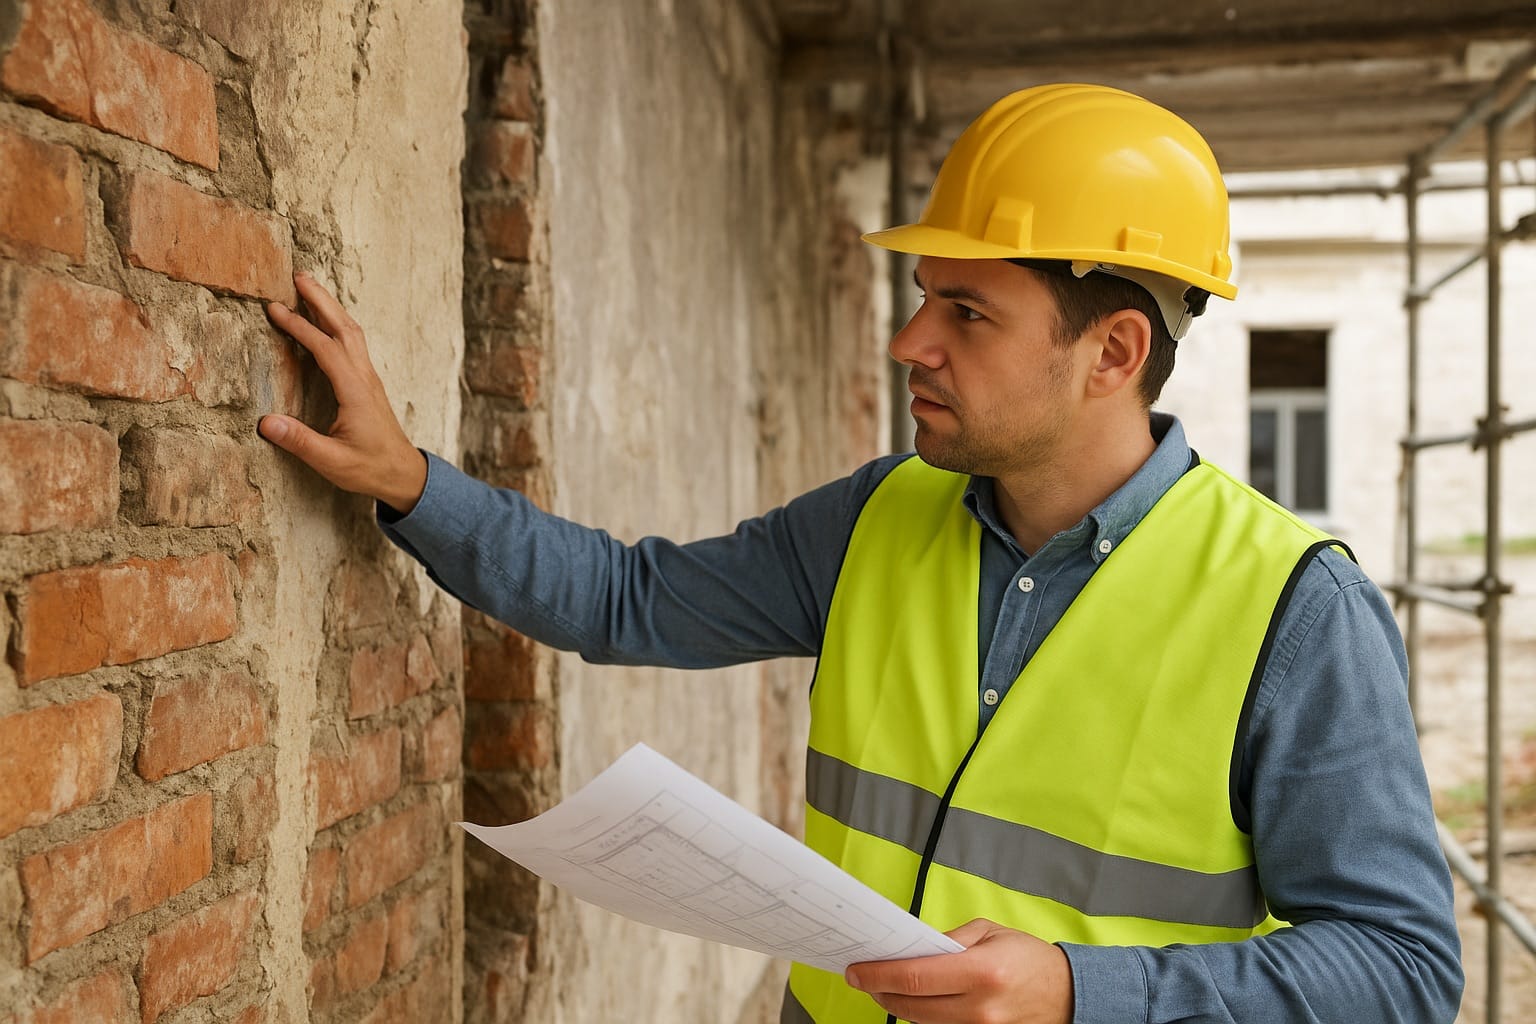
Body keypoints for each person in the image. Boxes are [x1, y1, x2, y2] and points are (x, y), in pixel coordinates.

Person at [258, 84, 1463, 1023]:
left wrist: (1078, 993)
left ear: (1114, 351)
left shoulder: (1294, 610)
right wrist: (409, 481)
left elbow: (1401, 968)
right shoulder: (880, 516)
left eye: (967, 313)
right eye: (923, 295)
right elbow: (630, 599)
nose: (909, 340)